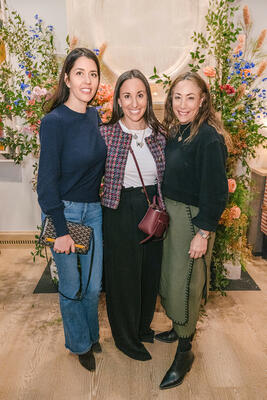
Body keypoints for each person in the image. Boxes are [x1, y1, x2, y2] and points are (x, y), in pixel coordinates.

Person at [155, 71, 229, 389]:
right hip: (173, 214)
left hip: (192, 220)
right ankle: (177, 326)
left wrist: (203, 233)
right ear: (171, 100)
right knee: (171, 278)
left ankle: (184, 352)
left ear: (202, 101)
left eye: (190, 97)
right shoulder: (179, 130)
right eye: (177, 97)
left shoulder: (209, 138)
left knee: (186, 282)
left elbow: (216, 192)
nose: (183, 104)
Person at [37, 48, 107, 372]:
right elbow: (46, 182)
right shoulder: (54, 122)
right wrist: (61, 230)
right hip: (63, 212)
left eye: (93, 74)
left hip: (93, 210)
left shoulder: (95, 117)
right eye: (80, 73)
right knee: (71, 286)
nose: (87, 80)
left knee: (93, 286)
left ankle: (91, 335)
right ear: (67, 78)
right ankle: (80, 344)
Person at [100, 69, 166, 361]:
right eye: (127, 95)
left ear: (148, 98)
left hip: (153, 208)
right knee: (123, 276)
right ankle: (125, 338)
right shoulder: (106, 133)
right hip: (119, 208)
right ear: (118, 100)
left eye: (140, 95)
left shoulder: (161, 134)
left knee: (149, 272)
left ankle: (141, 327)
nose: (134, 102)